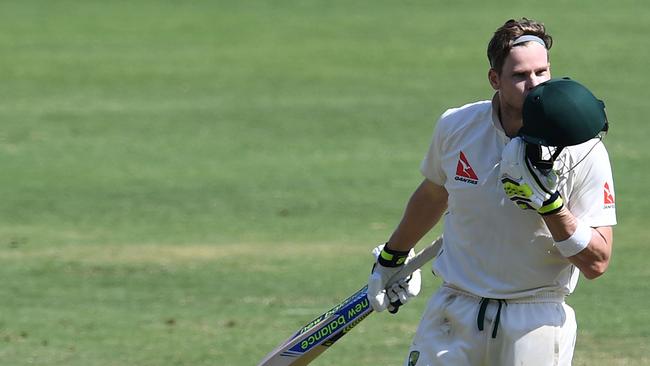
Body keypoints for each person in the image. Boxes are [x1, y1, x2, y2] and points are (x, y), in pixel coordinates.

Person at [366, 18, 616, 365]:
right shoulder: (457, 126)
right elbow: (434, 194)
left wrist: (550, 205)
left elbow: (597, 262)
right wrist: (393, 257)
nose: (534, 85)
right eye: (520, 75)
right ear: (494, 79)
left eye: (542, 72)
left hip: (535, 320)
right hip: (455, 310)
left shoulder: (580, 145)